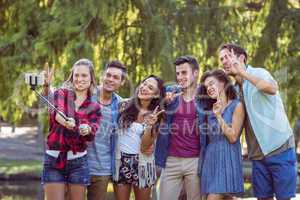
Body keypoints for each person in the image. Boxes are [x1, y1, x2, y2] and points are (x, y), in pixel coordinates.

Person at [219, 43, 297, 200]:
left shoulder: (258, 73)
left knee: (285, 198)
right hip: (257, 156)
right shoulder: (234, 92)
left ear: (242, 58)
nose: (224, 61)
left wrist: (243, 73)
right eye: (221, 59)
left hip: (280, 148)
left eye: (228, 56)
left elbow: (272, 88)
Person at [41, 58, 102, 200]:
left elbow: (92, 132)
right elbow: (57, 114)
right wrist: (67, 122)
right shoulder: (61, 93)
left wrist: (87, 129)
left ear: (91, 78)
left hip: (78, 163)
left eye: (84, 75)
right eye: (77, 75)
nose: (80, 79)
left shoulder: (95, 107)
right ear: (72, 77)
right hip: (54, 158)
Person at [155, 55, 205, 200]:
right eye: (177, 73)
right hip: (171, 159)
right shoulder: (171, 92)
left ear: (195, 73)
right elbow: (149, 104)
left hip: (195, 161)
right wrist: (164, 102)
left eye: (184, 73)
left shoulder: (205, 96)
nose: (180, 77)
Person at [113, 75, 165, 200]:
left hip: (143, 165)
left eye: (150, 87)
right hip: (121, 162)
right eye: (144, 83)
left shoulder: (157, 116)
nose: (144, 87)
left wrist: (150, 126)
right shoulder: (123, 105)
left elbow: (145, 147)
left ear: (156, 95)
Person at [199, 69, 245, 200]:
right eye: (206, 87)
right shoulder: (209, 109)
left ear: (224, 83)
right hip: (210, 159)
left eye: (212, 83)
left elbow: (233, 137)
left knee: (213, 197)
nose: (209, 88)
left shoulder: (237, 106)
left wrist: (219, 116)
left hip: (227, 157)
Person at [86, 61, 126, 200]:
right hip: (77, 165)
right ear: (103, 75)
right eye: (108, 75)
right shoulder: (86, 94)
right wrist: (47, 88)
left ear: (122, 82)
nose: (110, 79)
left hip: (102, 169)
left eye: (116, 77)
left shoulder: (122, 106)